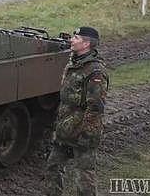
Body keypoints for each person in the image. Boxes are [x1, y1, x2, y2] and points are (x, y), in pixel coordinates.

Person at [45, 26, 109, 196]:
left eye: (76, 38)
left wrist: (86, 135)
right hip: (65, 128)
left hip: (83, 131)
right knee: (53, 166)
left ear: (86, 44)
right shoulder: (73, 63)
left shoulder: (95, 71)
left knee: (84, 174)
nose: (72, 40)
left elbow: (95, 107)